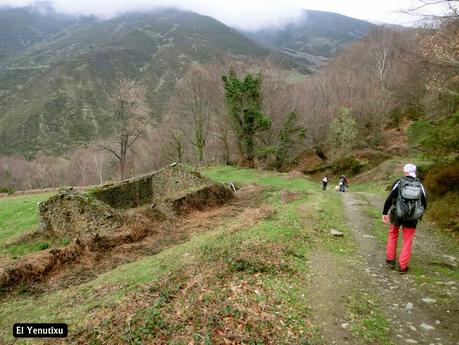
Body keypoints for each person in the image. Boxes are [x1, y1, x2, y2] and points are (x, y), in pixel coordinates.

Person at [382, 163, 427, 274]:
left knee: (393, 234)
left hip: (397, 214)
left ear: (405, 171)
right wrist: (418, 213)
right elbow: (424, 203)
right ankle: (403, 266)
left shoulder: (399, 182)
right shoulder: (419, 185)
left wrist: (384, 213)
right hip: (412, 217)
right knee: (407, 240)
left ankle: (390, 260)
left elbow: (389, 198)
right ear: (414, 172)